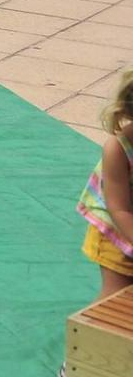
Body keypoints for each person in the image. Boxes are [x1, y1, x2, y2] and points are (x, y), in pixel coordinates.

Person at [78, 69, 133, 302]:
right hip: (116, 225)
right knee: (117, 297)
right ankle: (91, 334)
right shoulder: (118, 149)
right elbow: (119, 209)